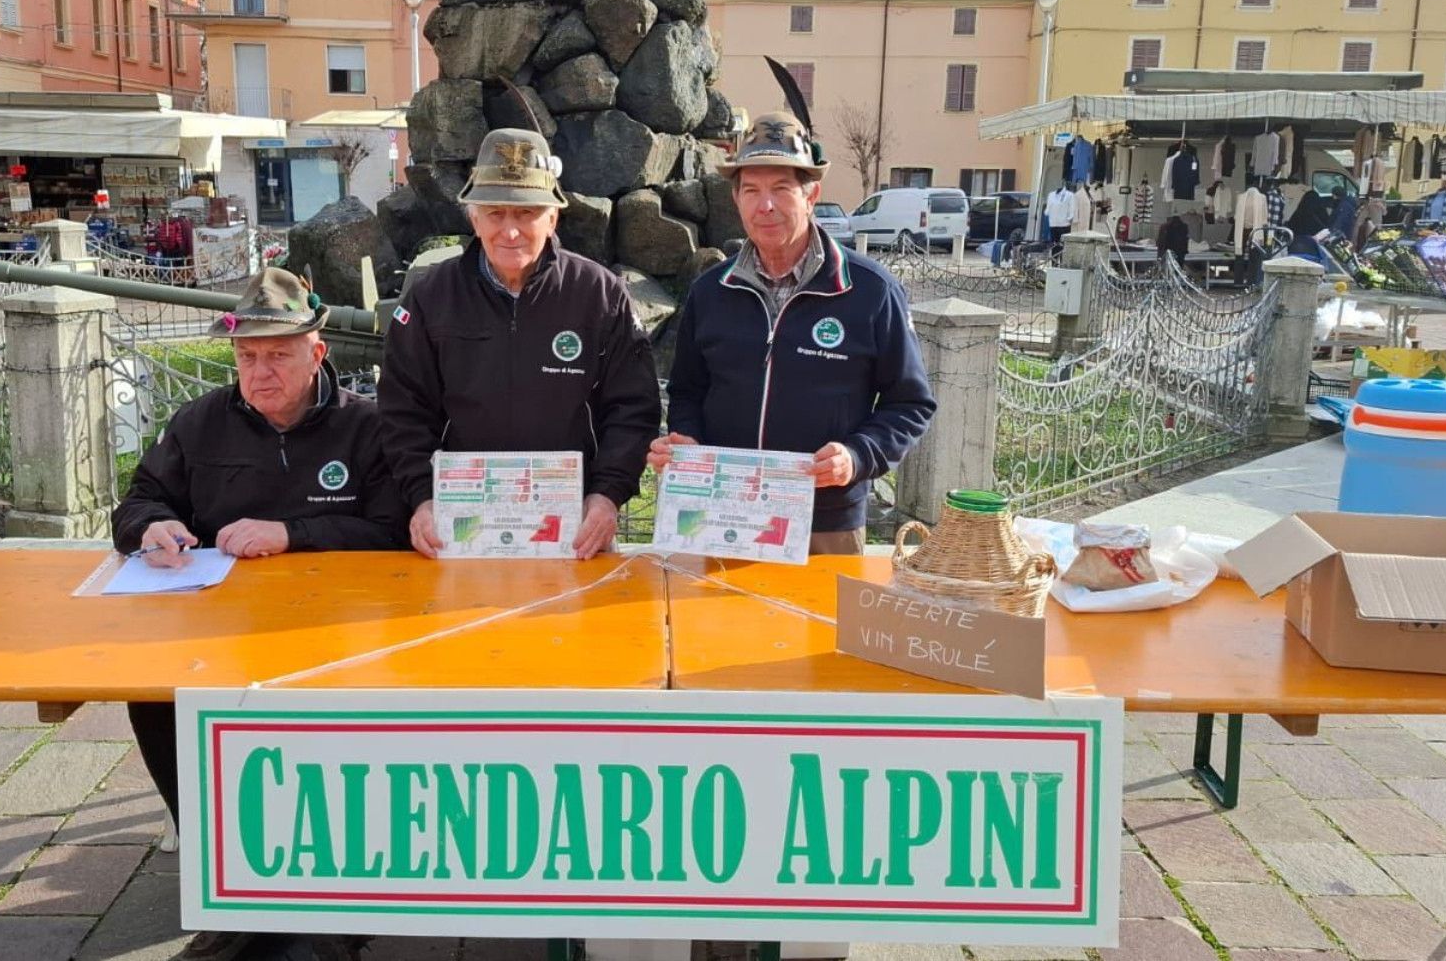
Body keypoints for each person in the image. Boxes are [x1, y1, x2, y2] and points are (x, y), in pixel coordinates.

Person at [111, 267, 401, 961]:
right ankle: (223, 878)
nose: (260, 372)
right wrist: (153, 527)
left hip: (335, 631)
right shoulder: (201, 422)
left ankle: (335, 901)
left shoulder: (367, 427)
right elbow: (140, 500)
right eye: (247, 357)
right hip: (220, 627)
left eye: (278, 355)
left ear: (317, 353)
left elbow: (395, 527)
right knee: (154, 698)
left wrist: (292, 533)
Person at [650, 111, 937, 554]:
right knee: (718, 623)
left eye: (781, 189)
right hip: (722, 510)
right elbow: (688, 390)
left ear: (811, 195)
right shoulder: (711, 290)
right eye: (751, 190)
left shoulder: (871, 291)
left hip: (826, 520)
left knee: (820, 625)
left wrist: (857, 456)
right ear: (736, 200)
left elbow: (910, 402)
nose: (766, 205)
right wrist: (686, 438)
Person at [378, 128, 662, 558]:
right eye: (495, 213)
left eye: (526, 213)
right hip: (461, 525)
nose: (510, 231)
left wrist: (606, 496)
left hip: (577, 527)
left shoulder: (599, 294)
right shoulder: (430, 296)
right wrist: (422, 498)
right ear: (473, 218)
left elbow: (632, 408)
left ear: (553, 218)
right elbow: (403, 410)